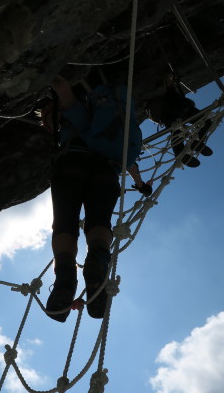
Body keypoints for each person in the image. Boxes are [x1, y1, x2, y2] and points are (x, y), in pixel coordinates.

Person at [42, 75, 152, 323]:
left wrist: (54, 82)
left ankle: (65, 277)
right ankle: (97, 261)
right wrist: (141, 185)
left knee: (65, 223)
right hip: (107, 170)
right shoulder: (108, 125)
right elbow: (131, 164)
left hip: (71, 165)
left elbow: (66, 96)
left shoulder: (75, 120)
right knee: (99, 221)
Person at [145, 73, 213, 167]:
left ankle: (193, 146)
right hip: (178, 111)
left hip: (182, 111)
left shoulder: (173, 96)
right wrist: (170, 77)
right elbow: (168, 84)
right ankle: (188, 148)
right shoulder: (171, 96)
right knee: (179, 130)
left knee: (203, 122)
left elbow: (169, 84)